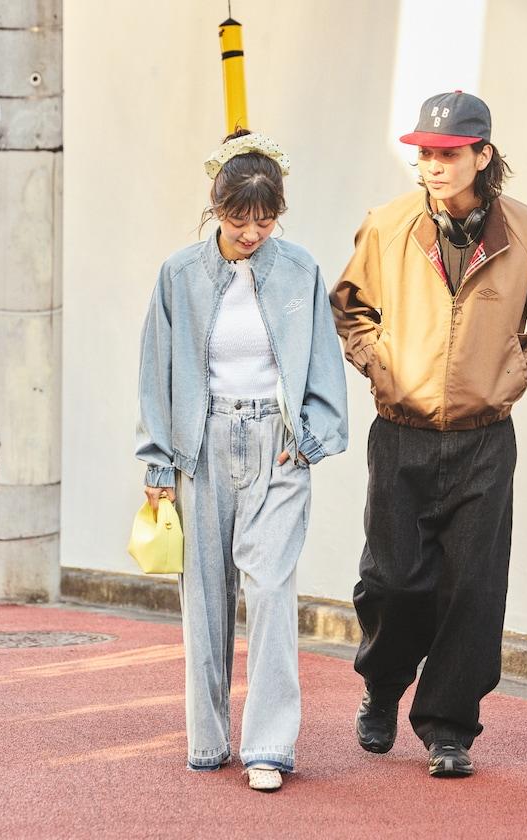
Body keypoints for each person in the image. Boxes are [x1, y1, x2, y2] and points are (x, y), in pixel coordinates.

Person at [330, 91, 527, 778]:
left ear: (483, 154)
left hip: (484, 440)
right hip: (401, 433)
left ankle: (448, 728)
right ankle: (384, 683)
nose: (433, 165)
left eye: (447, 153)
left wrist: (513, 373)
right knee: (392, 581)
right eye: (424, 153)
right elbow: (350, 309)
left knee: (471, 590)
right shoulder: (387, 225)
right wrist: (380, 363)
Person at [136, 128, 348, 791]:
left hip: (276, 446)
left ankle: (269, 747)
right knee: (204, 599)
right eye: (238, 220)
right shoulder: (178, 275)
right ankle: (208, 739)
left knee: (272, 591)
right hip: (201, 448)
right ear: (216, 208)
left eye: (265, 220)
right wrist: (158, 466)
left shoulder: (301, 271)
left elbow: (324, 362)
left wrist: (312, 437)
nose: (252, 234)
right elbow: (156, 374)